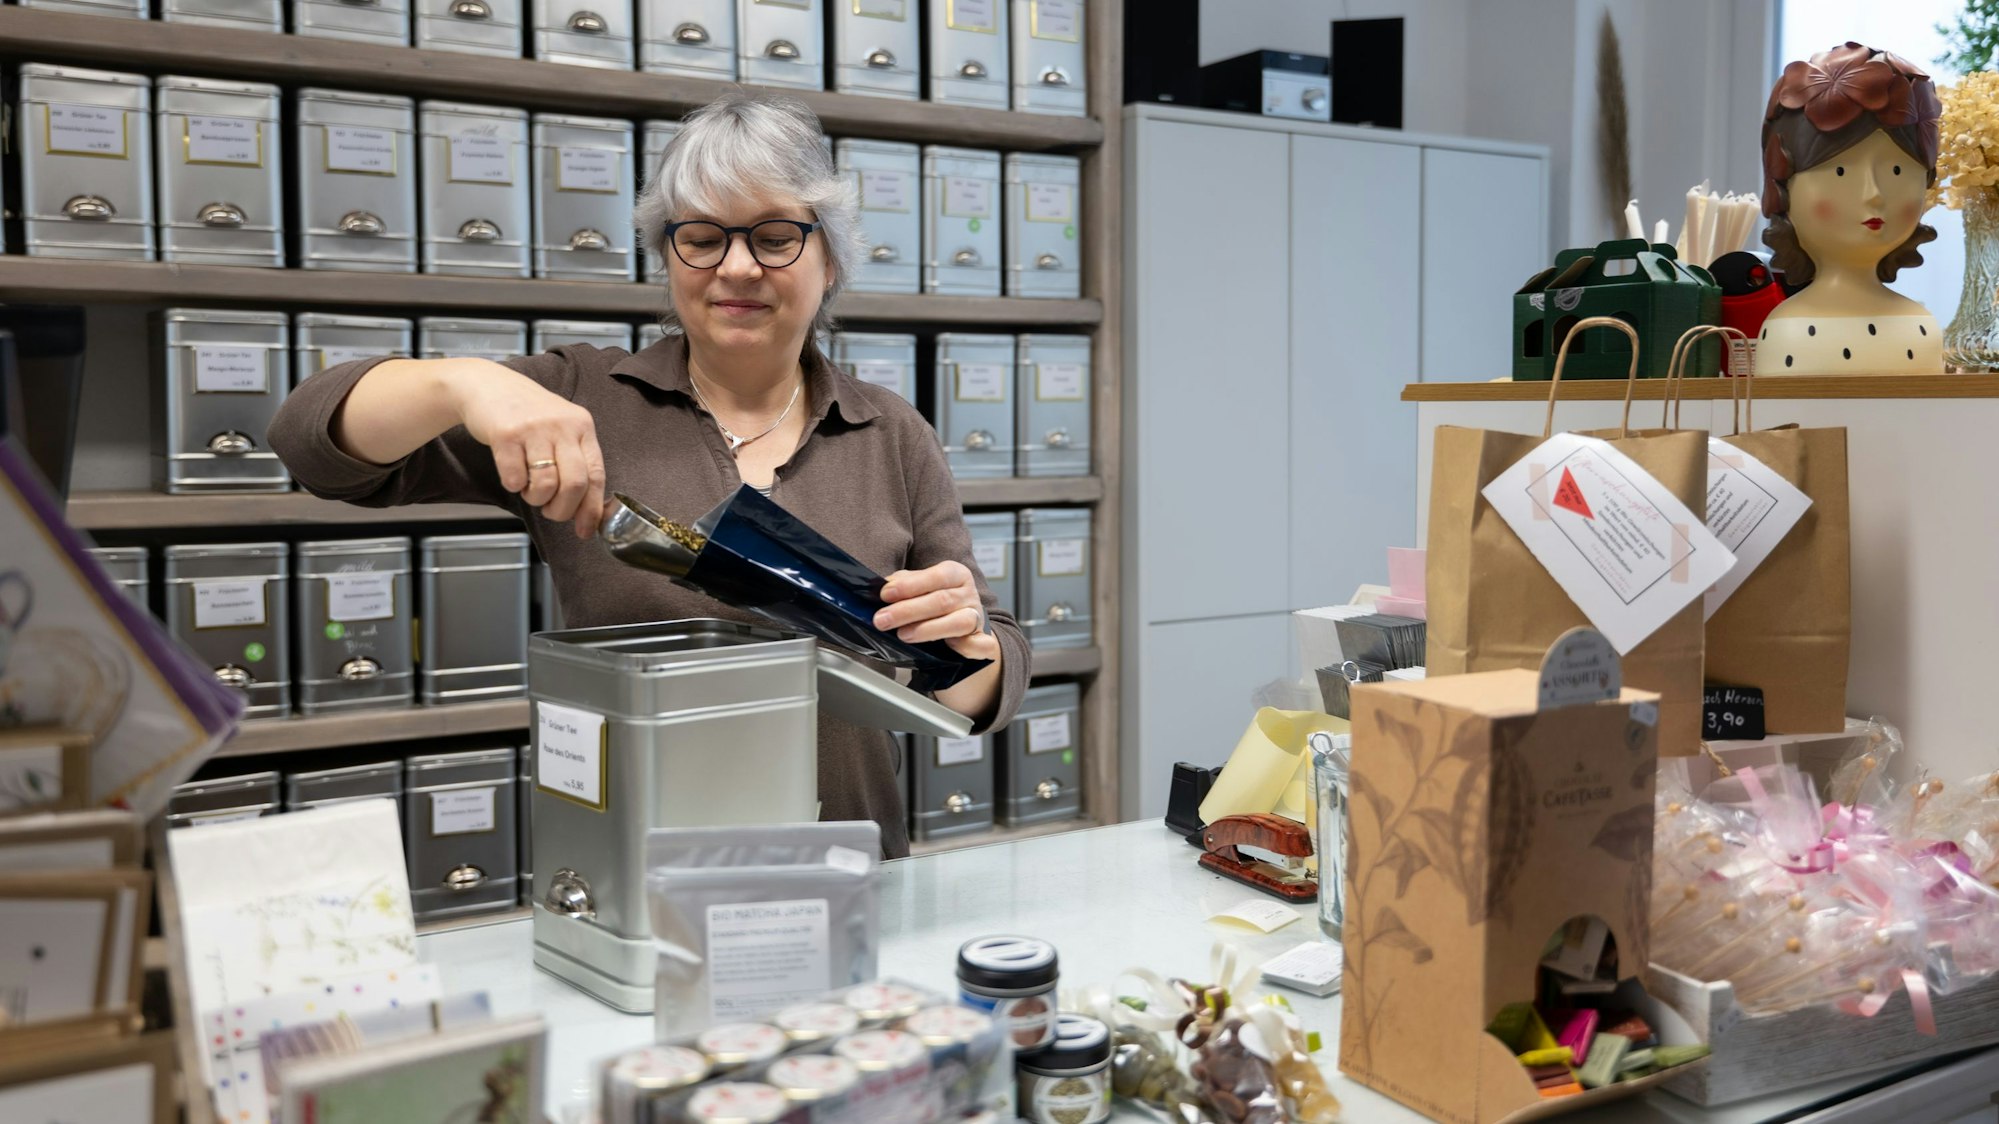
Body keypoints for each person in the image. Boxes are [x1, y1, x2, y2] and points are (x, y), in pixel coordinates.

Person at [268, 91, 1028, 857]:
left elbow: (981, 688)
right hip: (630, 866)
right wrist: (462, 384)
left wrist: (966, 642)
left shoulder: (890, 430)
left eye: (775, 236)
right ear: (666, 255)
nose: (737, 266)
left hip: (847, 867)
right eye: (700, 236)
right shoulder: (579, 397)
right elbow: (310, 444)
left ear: (828, 258)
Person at [1759, 42, 1942, 375]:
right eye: (1841, 171)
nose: (1873, 194)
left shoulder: (1922, 328)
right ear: (1782, 185)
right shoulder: (1788, 332)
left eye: (1897, 170)